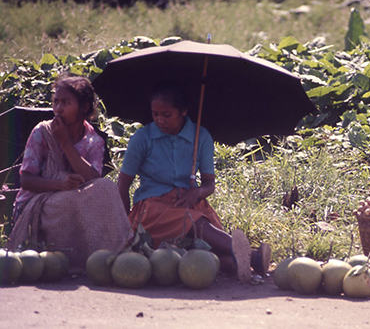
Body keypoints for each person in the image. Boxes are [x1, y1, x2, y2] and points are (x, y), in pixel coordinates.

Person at [116, 81, 270, 283]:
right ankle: (252, 255)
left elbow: (209, 184)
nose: (160, 120)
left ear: (183, 112)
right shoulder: (142, 138)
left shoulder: (201, 137)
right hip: (153, 210)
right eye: (155, 114)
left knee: (209, 251)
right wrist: (124, 225)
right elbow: (123, 184)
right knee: (194, 222)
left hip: (189, 202)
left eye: (167, 115)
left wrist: (196, 193)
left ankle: (241, 262)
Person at [8, 74, 132, 273]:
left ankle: (115, 254)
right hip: (37, 205)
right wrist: (60, 184)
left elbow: (93, 181)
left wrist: (66, 143)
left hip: (73, 199)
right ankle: (89, 258)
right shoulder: (42, 132)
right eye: (56, 102)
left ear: (84, 107)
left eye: (66, 103)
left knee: (107, 187)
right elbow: (26, 180)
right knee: (76, 200)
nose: (58, 108)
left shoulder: (94, 140)